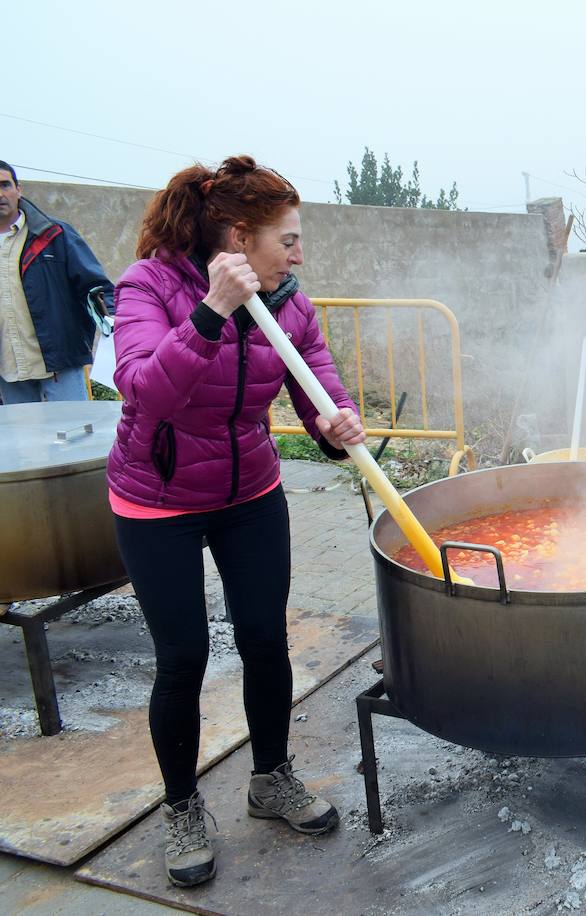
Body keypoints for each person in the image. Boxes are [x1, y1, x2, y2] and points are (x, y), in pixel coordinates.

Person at [107, 156, 366, 887]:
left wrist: (334, 422)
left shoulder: (291, 301)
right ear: (240, 236)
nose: (298, 252)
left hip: (250, 490)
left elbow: (316, 376)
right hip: (156, 498)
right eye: (287, 238)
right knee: (183, 658)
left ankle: (271, 779)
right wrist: (211, 313)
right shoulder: (148, 287)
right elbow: (143, 391)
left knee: (264, 638)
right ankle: (183, 806)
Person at [0, 160, 114, 403]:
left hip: (60, 364)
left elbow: (95, 288)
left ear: (18, 189)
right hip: (8, 371)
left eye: (5, 185)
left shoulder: (54, 235)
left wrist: (116, 323)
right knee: (22, 441)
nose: (1, 194)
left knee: (74, 435)